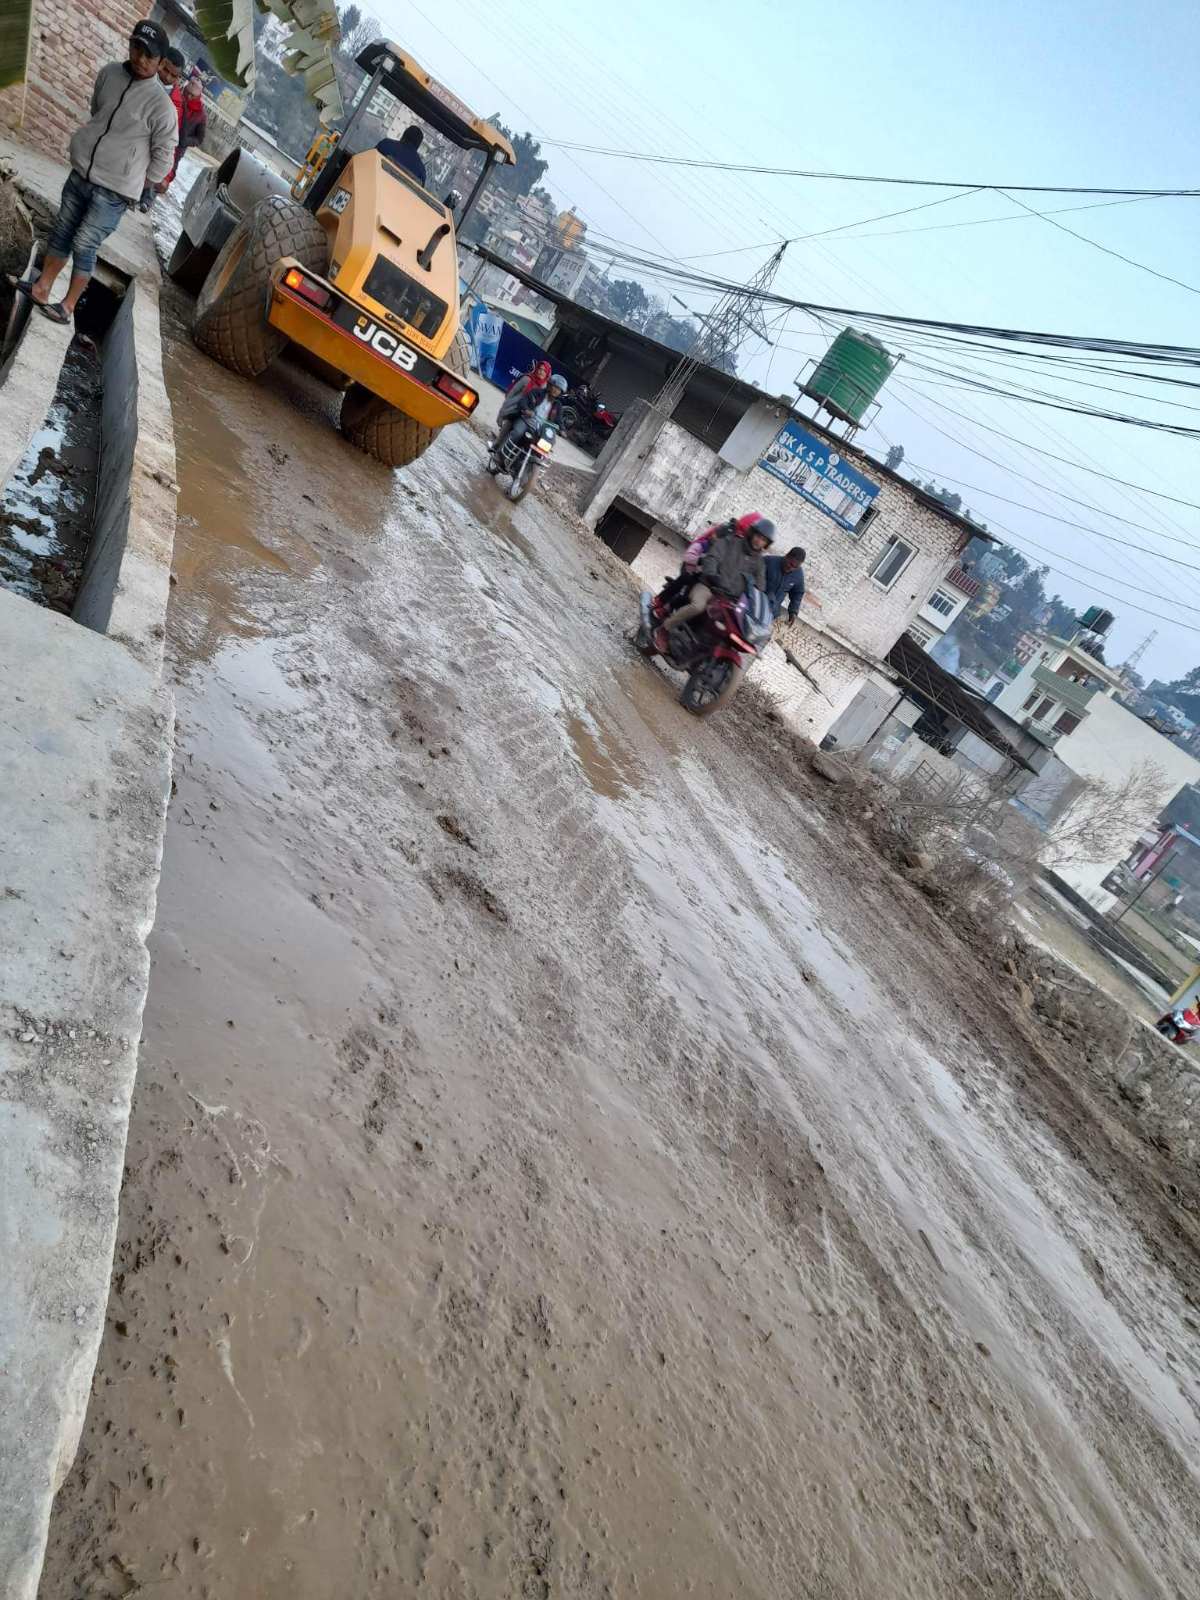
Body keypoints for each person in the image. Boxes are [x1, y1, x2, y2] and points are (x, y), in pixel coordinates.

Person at [16, 20, 176, 325]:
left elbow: (163, 160)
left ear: (160, 62)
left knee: (84, 243)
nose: (141, 58)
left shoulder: (162, 107)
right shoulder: (110, 74)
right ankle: (41, 288)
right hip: (82, 173)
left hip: (113, 193)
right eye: (137, 48)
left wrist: (135, 180)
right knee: (62, 231)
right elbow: (97, 110)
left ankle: (68, 306)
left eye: (149, 55)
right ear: (130, 45)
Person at [654, 514, 774, 650]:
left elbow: (759, 587)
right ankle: (664, 629)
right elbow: (712, 558)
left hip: (730, 600)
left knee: (733, 629)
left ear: (766, 544)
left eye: (763, 540)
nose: (759, 541)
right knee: (698, 606)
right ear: (752, 533)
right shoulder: (730, 542)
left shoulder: (759, 563)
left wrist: (762, 600)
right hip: (709, 587)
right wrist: (714, 577)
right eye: (758, 536)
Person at [139, 46, 186, 211]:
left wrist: (167, 175)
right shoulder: (142, 80)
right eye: (166, 70)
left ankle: (144, 199)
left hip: (153, 147)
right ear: (160, 63)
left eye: (174, 75)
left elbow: (172, 139)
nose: (168, 77)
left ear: (179, 77)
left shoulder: (177, 103)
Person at [764, 545, 806, 625]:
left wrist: (793, 611)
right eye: (791, 564)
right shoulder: (769, 561)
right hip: (754, 604)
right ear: (787, 556)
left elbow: (798, 593)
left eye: (795, 567)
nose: (791, 568)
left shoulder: (798, 574)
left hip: (770, 613)